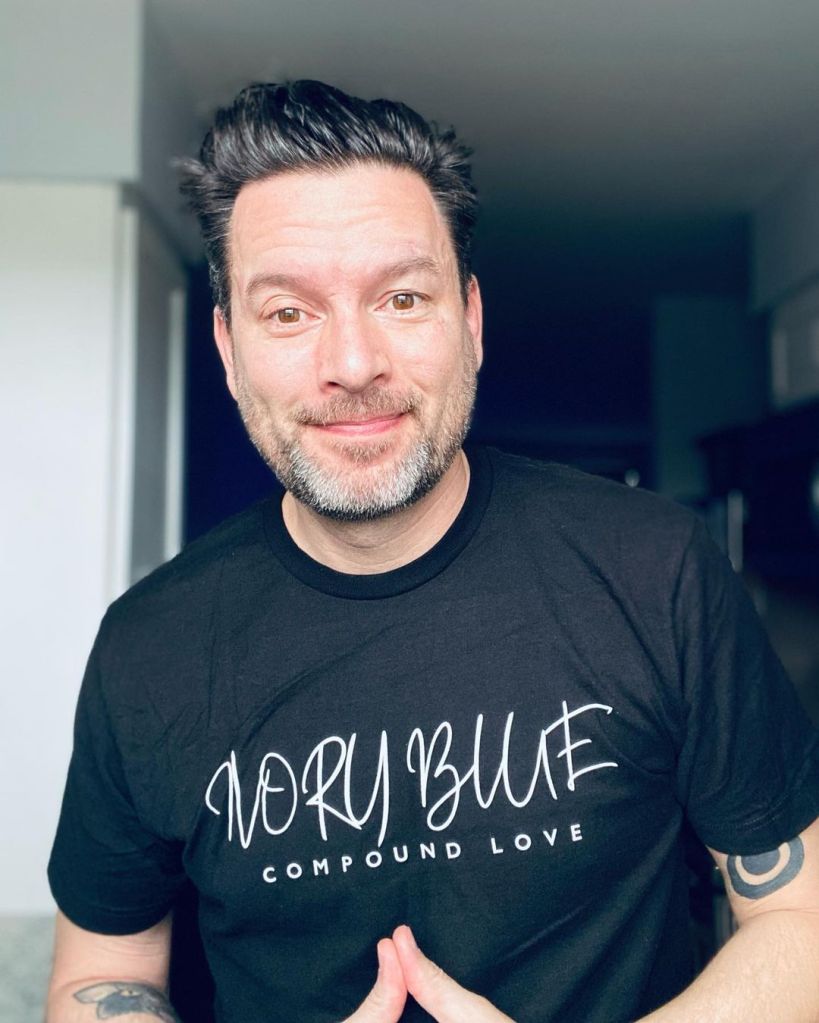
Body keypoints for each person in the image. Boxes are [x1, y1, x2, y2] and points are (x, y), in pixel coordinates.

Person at [47, 80, 819, 1023]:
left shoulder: (656, 568)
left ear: (471, 320)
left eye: (402, 297)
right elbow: (101, 973)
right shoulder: (146, 648)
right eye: (287, 312)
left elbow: (797, 914)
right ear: (228, 347)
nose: (353, 363)